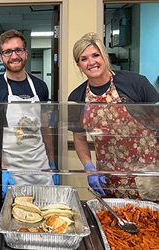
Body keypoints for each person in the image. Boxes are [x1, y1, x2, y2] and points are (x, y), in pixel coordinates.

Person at [68, 32, 159, 199]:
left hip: (147, 175)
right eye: (84, 58)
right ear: (78, 65)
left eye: (96, 55)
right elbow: (79, 137)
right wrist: (89, 167)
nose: (91, 62)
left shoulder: (136, 83)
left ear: (104, 56)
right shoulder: (77, 97)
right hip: (109, 178)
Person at [0, 29, 59, 197]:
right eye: (7, 52)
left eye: (18, 50)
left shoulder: (40, 87)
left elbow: (45, 128)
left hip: (40, 169)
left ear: (26, 53)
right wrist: (1, 170)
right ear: (0, 57)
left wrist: (52, 162)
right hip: (12, 172)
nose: (14, 56)